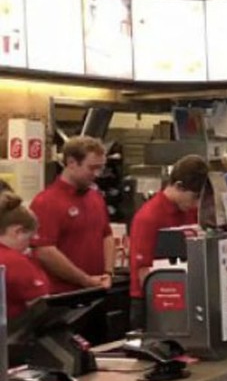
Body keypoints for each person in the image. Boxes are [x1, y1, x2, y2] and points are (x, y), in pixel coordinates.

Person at [128, 155, 208, 329]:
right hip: (153, 302)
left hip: (185, 296)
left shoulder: (188, 211)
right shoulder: (149, 217)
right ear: (178, 186)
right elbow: (143, 272)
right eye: (194, 197)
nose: (196, 204)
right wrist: (168, 305)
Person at [31, 136, 114, 294]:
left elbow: (107, 235)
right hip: (63, 294)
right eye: (92, 168)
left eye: (100, 168)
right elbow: (45, 252)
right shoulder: (46, 202)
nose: (97, 174)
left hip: (96, 289)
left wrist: (108, 273)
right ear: (71, 163)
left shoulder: (95, 197)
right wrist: (85, 280)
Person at [0, 192, 49, 320]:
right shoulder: (15, 262)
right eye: (29, 238)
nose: (29, 245)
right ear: (18, 231)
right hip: (12, 335)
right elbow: (42, 305)